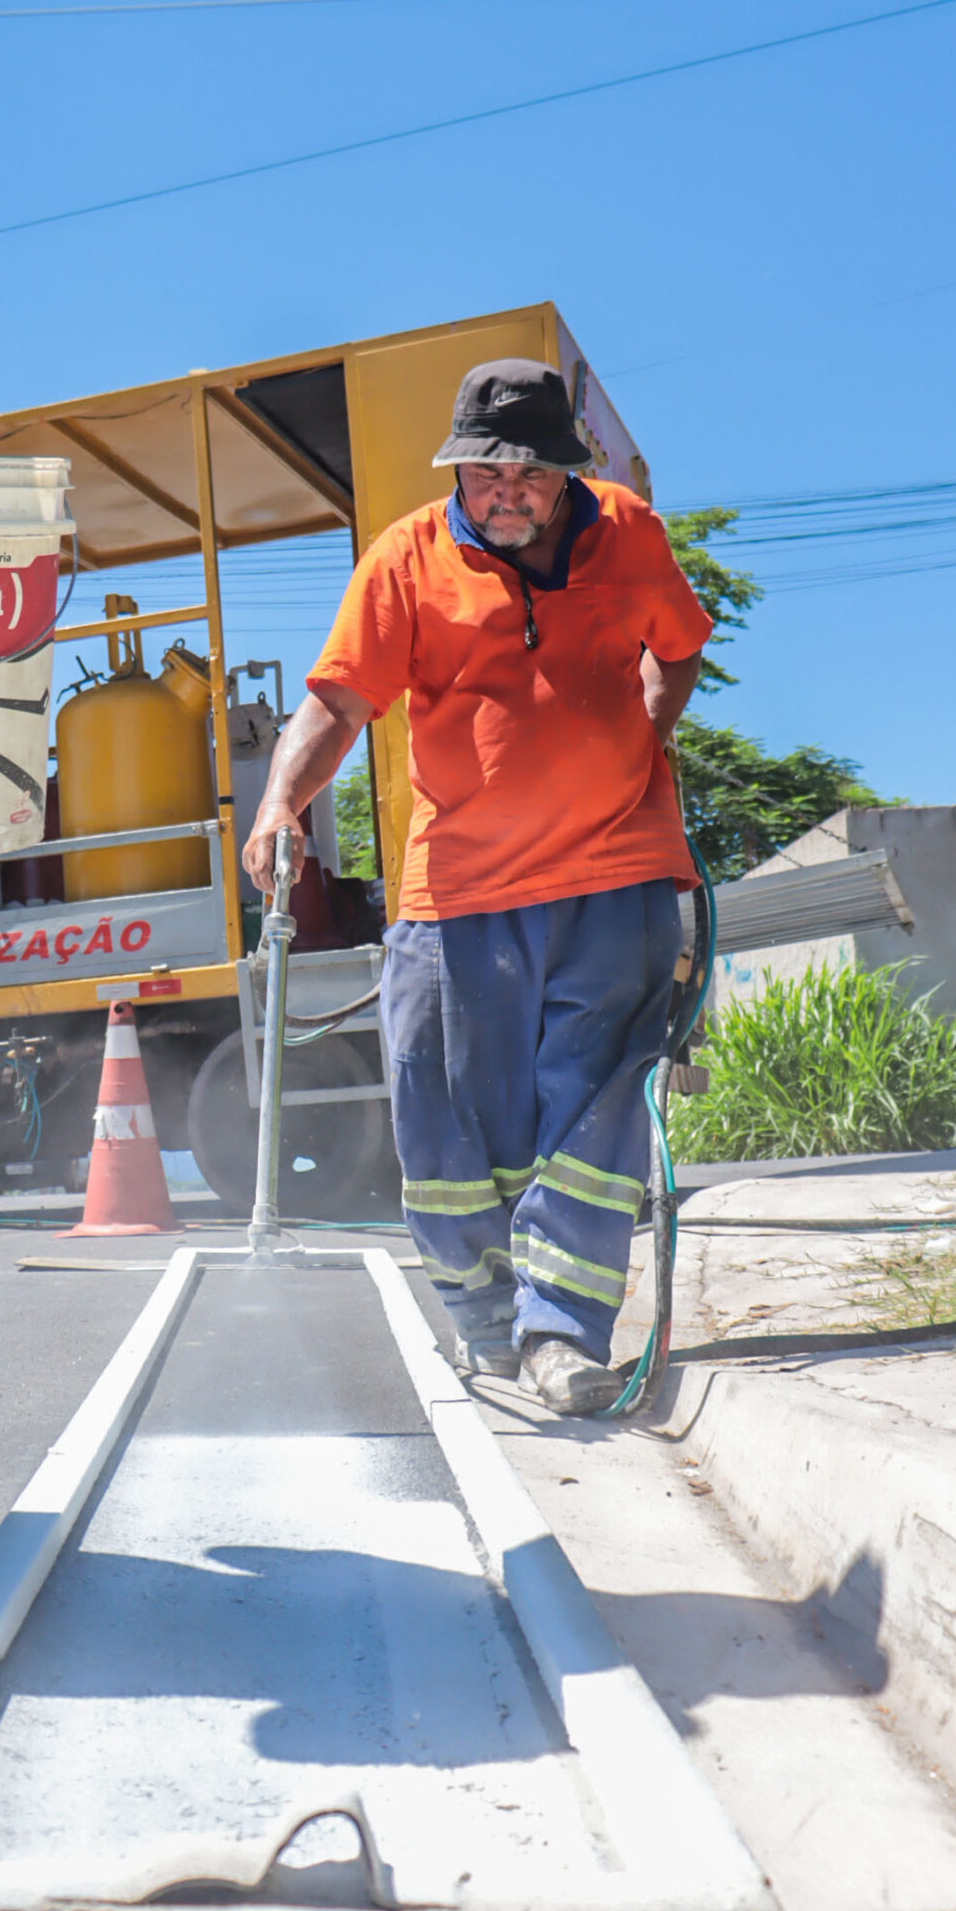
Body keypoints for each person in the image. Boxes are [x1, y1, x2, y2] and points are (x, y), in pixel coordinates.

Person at [243, 358, 711, 1416]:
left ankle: (558, 1334)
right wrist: (277, 807)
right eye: (482, 471)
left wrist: (646, 723)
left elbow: (675, 651)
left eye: (528, 474)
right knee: (444, 1114)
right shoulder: (404, 559)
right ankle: (484, 1321)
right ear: (456, 469)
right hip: (458, 892)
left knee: (590, 1112)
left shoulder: (628, 532)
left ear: (565, 474)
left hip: (614, 874)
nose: (504, 492)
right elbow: (334, 705)